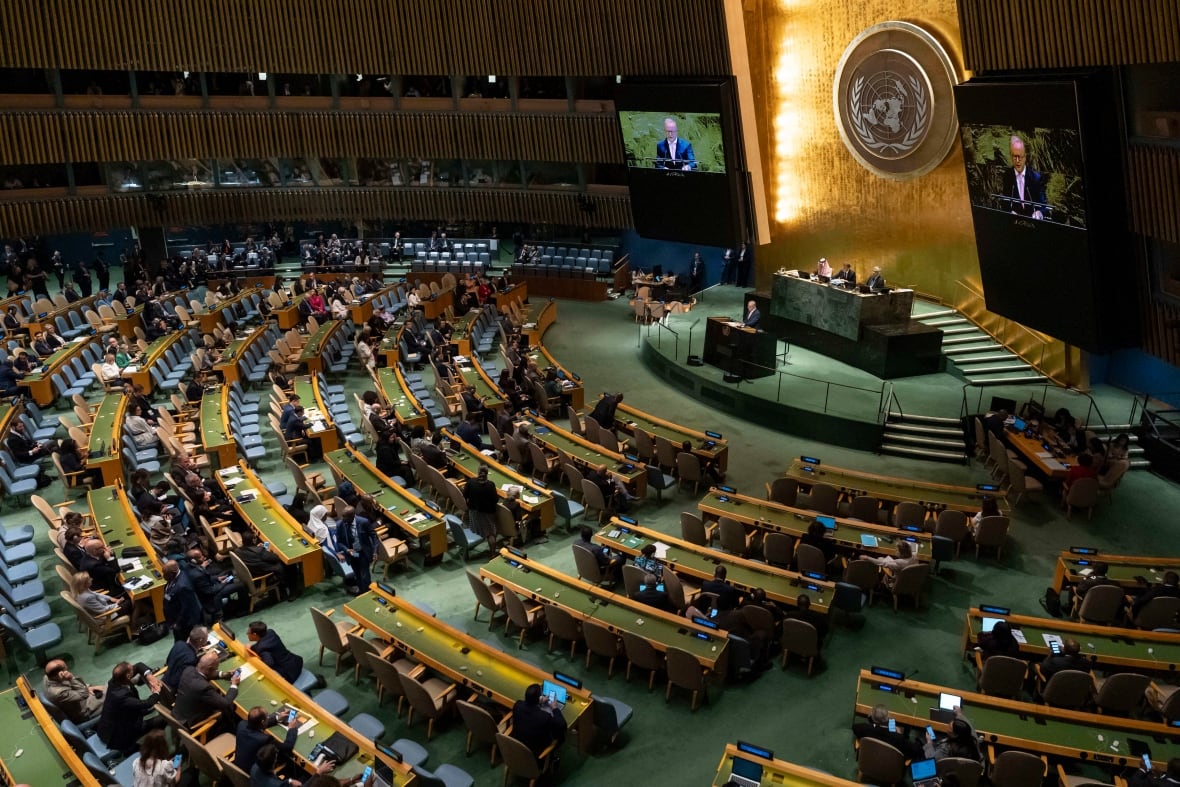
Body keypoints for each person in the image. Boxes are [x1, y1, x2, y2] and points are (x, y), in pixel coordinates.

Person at [97, 661, 166, 756]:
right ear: (128, 676)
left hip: (115, 721)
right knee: (163, 720)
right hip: (118, 735)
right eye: (131, 670)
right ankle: (150, 742)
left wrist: (149, 675)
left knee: (148, 710)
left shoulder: (114, 681)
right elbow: (146, 703)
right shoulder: (120, 697)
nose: (134, 669)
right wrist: (156, 692)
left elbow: (139, 665)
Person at [173, 651, 241, 729]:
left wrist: (224, 675)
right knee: (229, 707)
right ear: (210, 669)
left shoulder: (188, 670)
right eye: (216, 668)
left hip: (179, 712)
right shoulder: (204, 687)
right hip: (190, 721)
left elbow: (205, 674)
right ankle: (231, 728)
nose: (217, 670)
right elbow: (225, 703)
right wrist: (234, 685)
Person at [235, 706, 299, 775]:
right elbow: (287, 747)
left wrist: (277, 718)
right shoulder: (264, 739)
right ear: (262, 722)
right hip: (253, 775)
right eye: (267, 717)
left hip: (237, 767)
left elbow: (256, 724)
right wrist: (292, 729)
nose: (268, 718)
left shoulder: (241, 724)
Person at [511, 683, 567, 758]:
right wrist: (554, 708)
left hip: (514, 746)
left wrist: (538, 702)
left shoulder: (517, 705)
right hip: (533, 754)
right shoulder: (544, 717)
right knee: (561, 736)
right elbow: (562, 725)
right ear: (540, 698)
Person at [43, 658, 105, 724]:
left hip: (77, 698)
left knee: (105, 688)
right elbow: (84, 694)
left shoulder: (48, 676)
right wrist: (71, 678)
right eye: (65, 668)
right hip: (84, 710)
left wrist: (88, 687)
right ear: (61, 673)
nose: (67, 668)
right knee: (112, 694)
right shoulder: (59, 693)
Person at [852, 704, 924, 760]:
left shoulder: (864, 729)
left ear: (872, 717)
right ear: (887, 718)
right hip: (890, 769)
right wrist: (899, 734)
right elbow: (915, 750)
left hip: (868, 762)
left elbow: (854, 728)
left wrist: (871, 725)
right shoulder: (898, 738)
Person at [1002, 135, 1047, 219]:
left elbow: (1043, 205)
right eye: (1015, 157)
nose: (1018, 161)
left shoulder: (1036, 178)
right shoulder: (1007, 176)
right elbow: (1005, 203)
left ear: (1025, 157)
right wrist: (1009, 212)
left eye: (1020, 156)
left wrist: (1039, 212)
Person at [252, 741, 334, 787]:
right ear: (274, 762)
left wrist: (289, 781)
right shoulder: (277, 785)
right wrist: (318, 772)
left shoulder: (255, 767)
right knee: (306, 776)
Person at [336, 506, 376, 595]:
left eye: (345, 516)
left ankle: (367, 593)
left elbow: (373, 536)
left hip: (363, 552)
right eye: (343, 516)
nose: (343, 518)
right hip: (352, 554)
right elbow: (339, 542)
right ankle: (362, 591)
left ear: (352, 516)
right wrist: (347, 550)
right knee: (357, 574)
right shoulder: (340, 525)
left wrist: (375, 551)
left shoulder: (363, 522)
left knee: (365, 574)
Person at [162, 559, 203, 641]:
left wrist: (177, 624)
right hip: (175, 620)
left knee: (184, 643)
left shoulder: (183, 586)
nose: (163, 576)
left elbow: (186, 608)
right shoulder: (172, 578)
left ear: (173, 573)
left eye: (165, 574)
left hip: (185, 623)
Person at [464, 465, 500, 552]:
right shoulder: (490, 485)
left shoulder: (471, 482)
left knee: (477, 528)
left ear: (478, 472)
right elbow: (495, 499)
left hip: (473, 511)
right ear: (487, 474)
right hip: (486, 514)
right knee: (490, 534)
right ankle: (492, 554)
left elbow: (465, 495)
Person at [164, 625, 208, 693]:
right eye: (207, 637)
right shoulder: (192, 659)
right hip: (174, 690)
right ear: (201, 640)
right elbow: (187, 681)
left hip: (164, 681)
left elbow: (167, 662)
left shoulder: (179, 644)